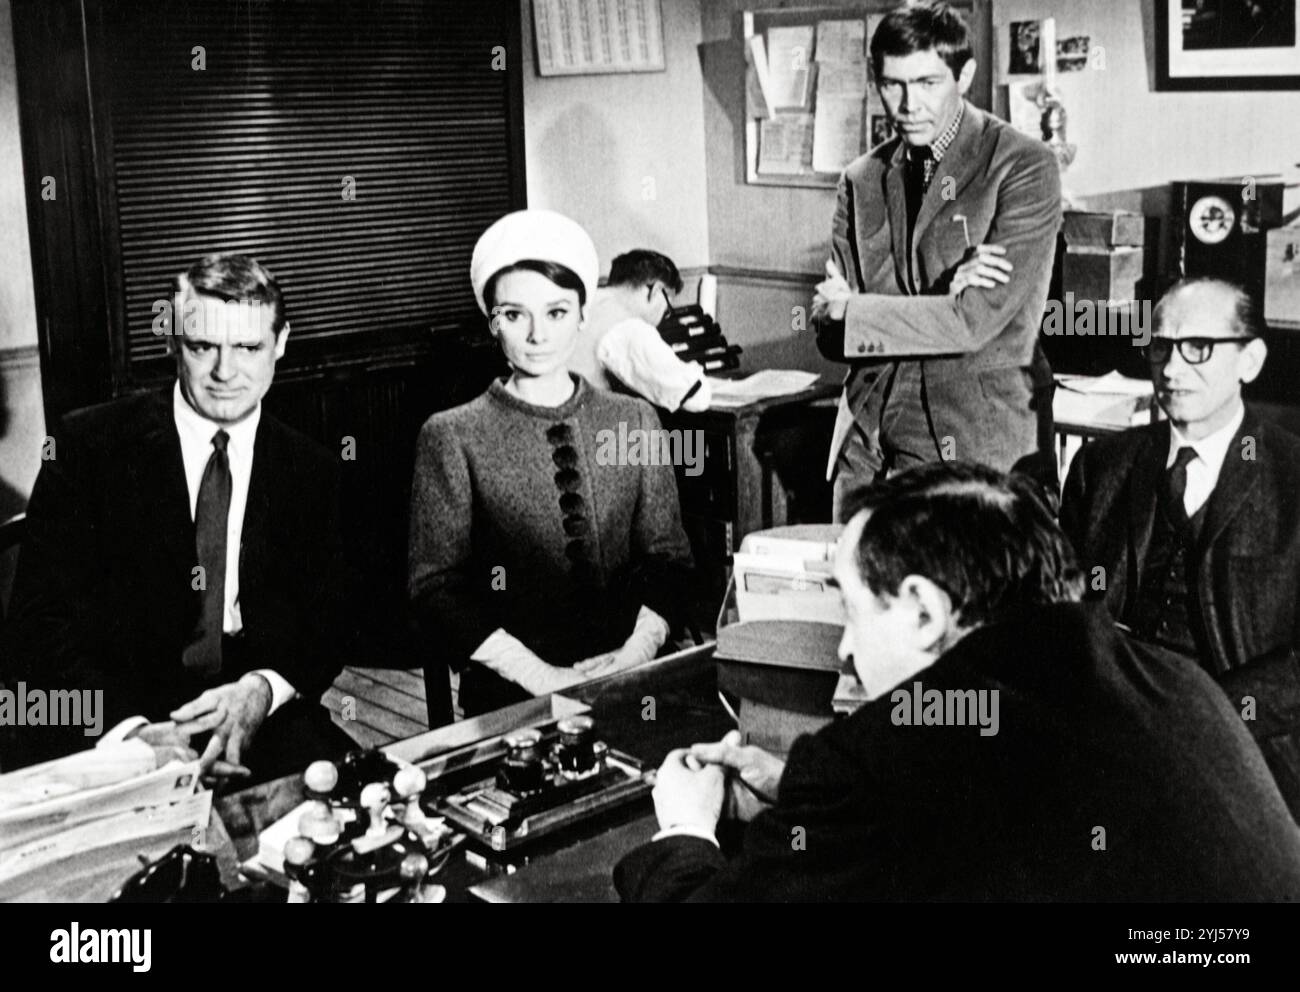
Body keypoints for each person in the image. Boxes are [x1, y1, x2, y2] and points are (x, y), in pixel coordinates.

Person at [614, 462, 1300, 901]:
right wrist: (795, 792)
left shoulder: (873, 761)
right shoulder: (1168, 678)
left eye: (850, 610)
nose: (846, 650)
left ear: (923, 611)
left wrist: (685, 829)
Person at [2, 253, 355, 782]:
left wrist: (262, 690)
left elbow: (326, 625)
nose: (224, 372)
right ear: (171, 342)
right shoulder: (84, 447)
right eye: (203, 346)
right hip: (112, 710)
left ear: (281, 344)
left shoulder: (314, 469)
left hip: (250, 707)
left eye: (248, 347)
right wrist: (131, 735)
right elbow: (38, 626)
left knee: (356, 818)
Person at [408, 210, 696, 717]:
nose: (538, 334)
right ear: (492, 321)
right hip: (514, 695)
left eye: (557, 312)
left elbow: (669, 558)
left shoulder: (633, 420)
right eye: (515, 315)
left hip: (633, 679)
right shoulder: (451, 435)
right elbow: (436, 589)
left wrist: (636, 653)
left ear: (583, 314)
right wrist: (542, 677)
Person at [1060, 277, 1300, 820]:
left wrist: (1199, 719)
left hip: (1249, 756)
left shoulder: (1292, 478)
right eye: (1160, 347)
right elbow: (1060, 616)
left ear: (1251, 360)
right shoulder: (1101, 468)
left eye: (1198, 349)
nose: (1170, 370)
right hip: (1109, 740)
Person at [812, 1, 1061, 520]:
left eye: (927, 83)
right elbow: (830, 333)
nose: (907, 104)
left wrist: (856, 309)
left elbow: (973, 322)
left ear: (964, 75)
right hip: (868, 440)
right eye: (892, 84)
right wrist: (937, 298)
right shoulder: (861, 178)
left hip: (974, 441)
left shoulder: (1023, 165)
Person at [567, 249, 711, 413]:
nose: (663, 317)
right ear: (656, 291)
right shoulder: (629, 327)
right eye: (667, 308)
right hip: (592, 425)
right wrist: (695, 372)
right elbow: (696, 398)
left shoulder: (583, 300)